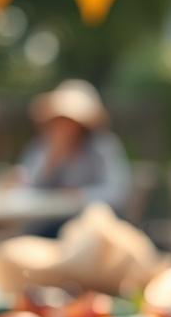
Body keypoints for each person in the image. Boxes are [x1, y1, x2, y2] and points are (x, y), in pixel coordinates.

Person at [11, 79, 131, 216]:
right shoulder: (43, 146)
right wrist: (51, 160)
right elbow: (28, 187)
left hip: (87, 220)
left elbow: (116, 192)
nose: (63, 126)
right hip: (46, 220)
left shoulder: (103, 146)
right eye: (59, 119)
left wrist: (79, 195)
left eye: (69, 120)